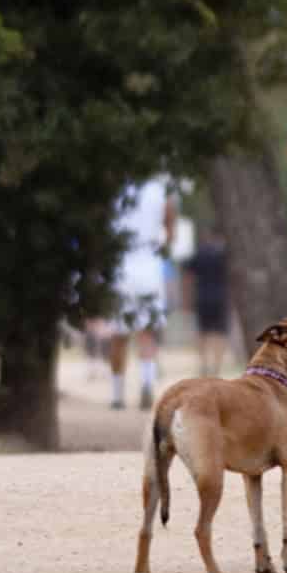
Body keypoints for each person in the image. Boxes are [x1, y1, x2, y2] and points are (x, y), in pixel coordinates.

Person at [106, 175, 174, 410]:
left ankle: (117, 394)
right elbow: (170, 229)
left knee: (118, 335)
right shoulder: (160, 190)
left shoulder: (114, 188)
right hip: (149, 264)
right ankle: (146, 383)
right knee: (147, 332)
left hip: (120, 264)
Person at [184, 229, 231, 378]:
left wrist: (187, 299)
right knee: (220, 333)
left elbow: (188, 275)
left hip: (202, 297)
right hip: (221, 297)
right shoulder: (226, 254)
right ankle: (217, 368)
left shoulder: (200, 253)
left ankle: (204, 365)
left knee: (202, 332)